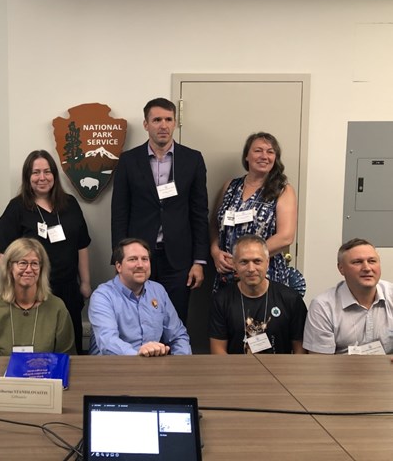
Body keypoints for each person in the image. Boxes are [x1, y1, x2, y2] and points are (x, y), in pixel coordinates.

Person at [111, 97, 209, 326]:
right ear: (146, 124)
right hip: (139, 257)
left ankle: (175, 361)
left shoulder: (192, 160)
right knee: (137, 320)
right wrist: (120, 259)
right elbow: (119, 213)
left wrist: (199, 261)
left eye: (168, 119)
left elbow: (199, 213)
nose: (163, 125)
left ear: (175, 123)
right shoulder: (128, 161)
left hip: (179, 259)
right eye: (157, 120)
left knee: (174, 321)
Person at [0, 149, 91, 353]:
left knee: (69, 347)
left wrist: (85, 283)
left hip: (68, 289)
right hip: (32, 291)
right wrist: (13, 287)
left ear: (54, 175)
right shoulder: (16, 208)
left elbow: (82, 245)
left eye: (47, 172)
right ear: (27, 177)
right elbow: (3, 253)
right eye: (35, 172)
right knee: (40, 346)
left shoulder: (71, 204)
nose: (42, 178)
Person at [210, 132, 297, 292]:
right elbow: (215, 225)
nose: (264, 156)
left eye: (270, 152)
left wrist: (243, 260)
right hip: (226, 273)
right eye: (258, 150)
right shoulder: (230, 186)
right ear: (247, 157)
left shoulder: (283, 190)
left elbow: (286, 237)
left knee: (261, 317)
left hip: (264, 274)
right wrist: (215, 252)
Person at [88, 238, 191, 356]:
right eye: (133, 259)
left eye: (145, 259)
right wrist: (139, 356)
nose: (140, 265)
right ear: (119, 266)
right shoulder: (103, 296)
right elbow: (108, 343)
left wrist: (180, 365)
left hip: (151, 367)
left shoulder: (158, 291)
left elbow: (178, 336)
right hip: (111, 368)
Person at [209, 235, 307, 354]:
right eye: (244, 262)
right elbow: (218, 350)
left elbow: (300, 350)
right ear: (234, 265)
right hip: (235, 371)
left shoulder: (290, 299)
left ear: (267, 262)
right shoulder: (221, 300)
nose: (251, 268)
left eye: (257, 261)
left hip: (280, 371)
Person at [0, 237, 76, 356]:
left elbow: (66, 357)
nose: (29, 270)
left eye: (34, 263)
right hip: (3, 374)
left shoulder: (57, 307)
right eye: (22, 263)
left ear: (41, 268)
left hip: (49, 374)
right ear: (9, 267)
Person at [304, 238, 393, 354]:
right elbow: (320, 363)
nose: (367, 268)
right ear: (341, 269)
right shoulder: (323, 306)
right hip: (340, 371)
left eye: (372, 261)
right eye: (357, 262)